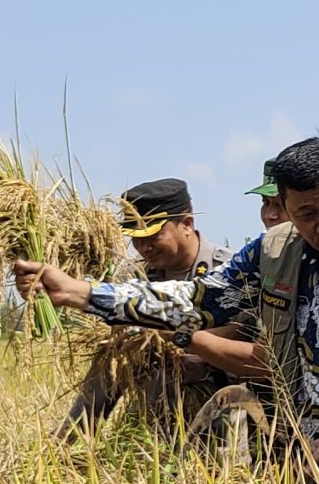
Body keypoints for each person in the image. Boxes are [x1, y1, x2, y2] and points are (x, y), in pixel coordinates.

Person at [18, 138, 319, 475]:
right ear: (286, 209)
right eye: (306, 214)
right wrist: (82, 294)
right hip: (304, 453)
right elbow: (196, 300)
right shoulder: (273, 253)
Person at [61, 178, 237, 429]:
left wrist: (205, 361)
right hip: (156, 413)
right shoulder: (135, 278)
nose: (144, 247)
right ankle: (71, 437)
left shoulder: (229, 271)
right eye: (136, 238)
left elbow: (252, 340)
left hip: (220, 410)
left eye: (154, 235)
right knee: (111, 354)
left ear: (186, 224)